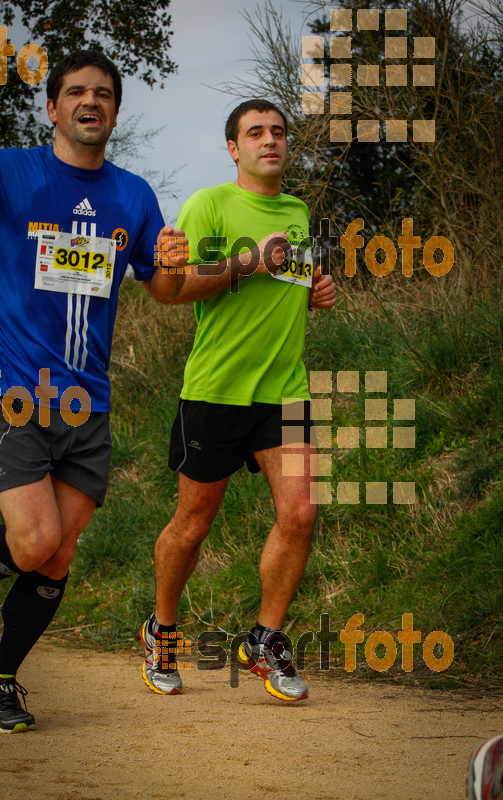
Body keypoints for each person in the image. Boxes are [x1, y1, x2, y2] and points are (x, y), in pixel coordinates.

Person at [0, 49, 187, 733]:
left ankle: (0, 680)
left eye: (103, 93)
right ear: (52, 108)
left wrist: (180, 266)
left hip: (88, 403)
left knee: (58, 553)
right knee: (33, 542)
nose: (89, 101)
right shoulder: (3, 172)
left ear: (115, 112)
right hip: (11, 389)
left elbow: (162, 287)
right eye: (74, 92)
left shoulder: (133, 196)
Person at [140, 99, 337, 701]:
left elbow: (286, 284)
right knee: (194, 524)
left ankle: (265, 639)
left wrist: (315, 290)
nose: (270, 141)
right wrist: (248, 261)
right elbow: (174, 291)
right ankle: (162, 629)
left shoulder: (300, 212)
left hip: (285, 389)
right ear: (233, 147)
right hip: (216, 391)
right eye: (255, 133)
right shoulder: (209, 205)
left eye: (278, 132)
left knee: (300, 514)